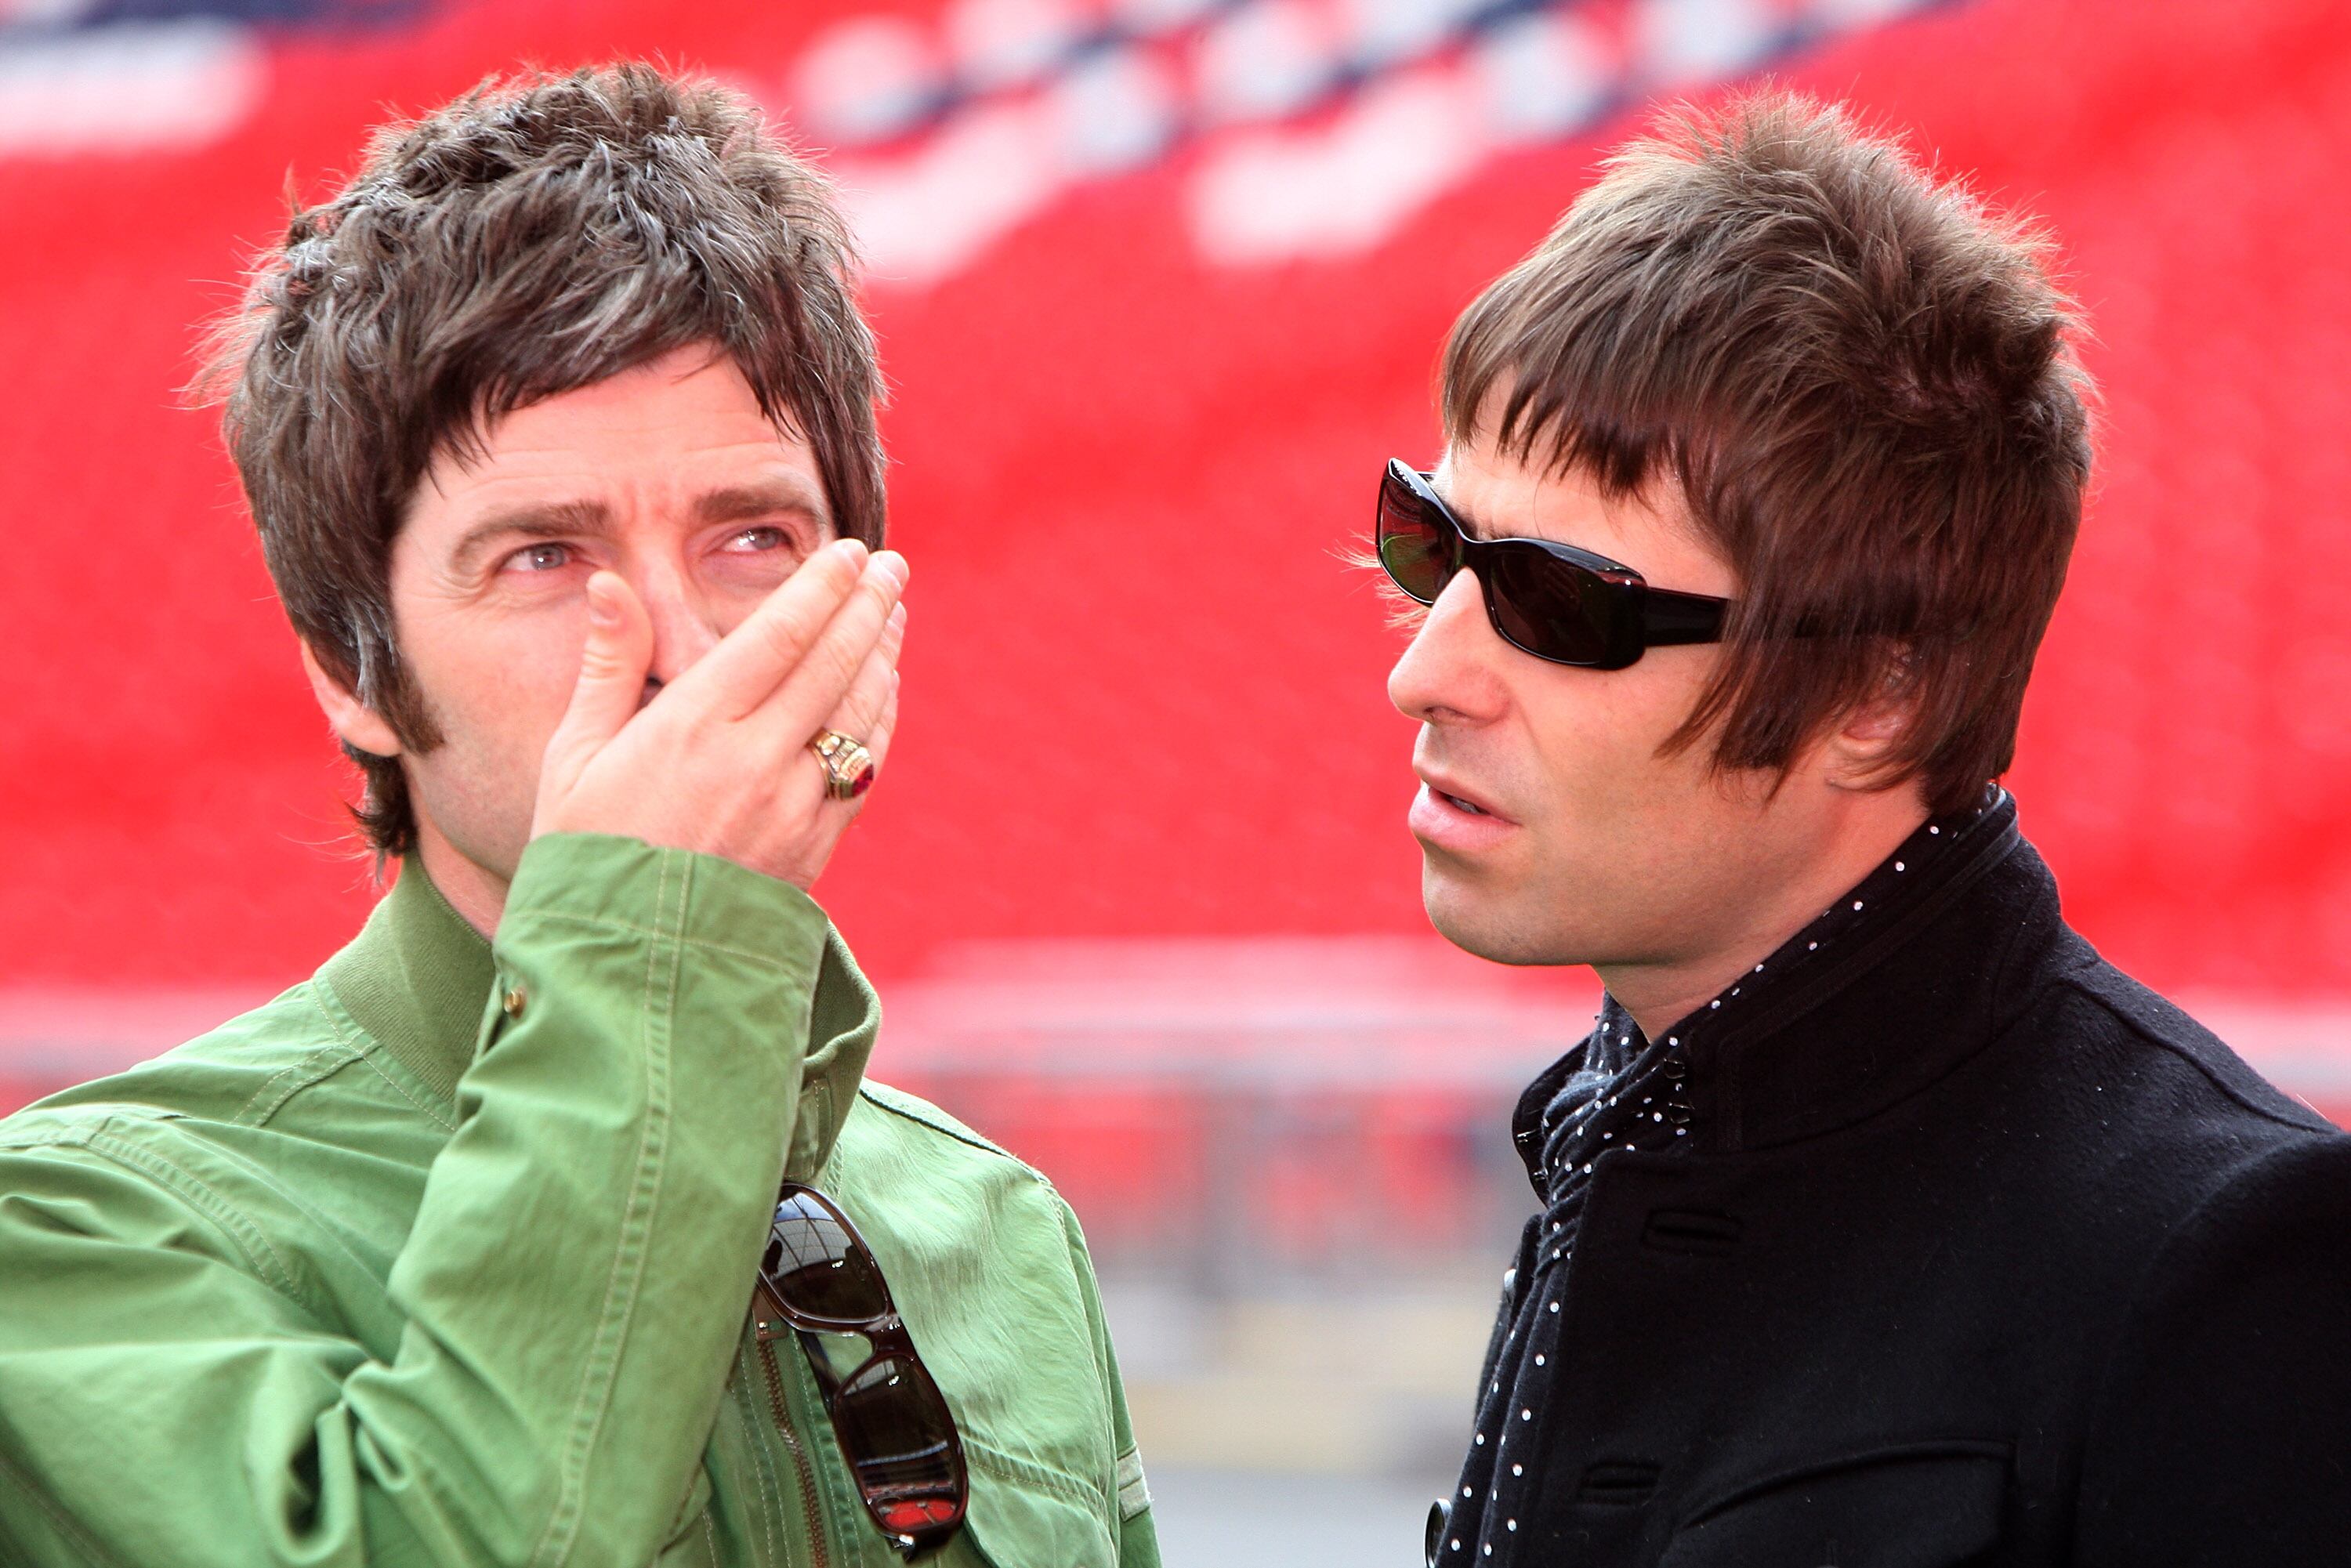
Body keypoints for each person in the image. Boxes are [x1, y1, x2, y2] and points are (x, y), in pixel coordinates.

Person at [0, 65, 1157, 1567]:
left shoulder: (997, 1223)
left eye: (755, 536)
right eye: (545, 555)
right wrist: (651, 941)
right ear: (355, 675)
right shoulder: (91, 1230)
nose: (677, 640)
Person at [1375, 92, 2351, 1565]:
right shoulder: (1626, 1115)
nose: (1423, 670)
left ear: (1879, 695)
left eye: (1560, 602)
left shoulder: (2223, 1261)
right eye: (1429, 541)